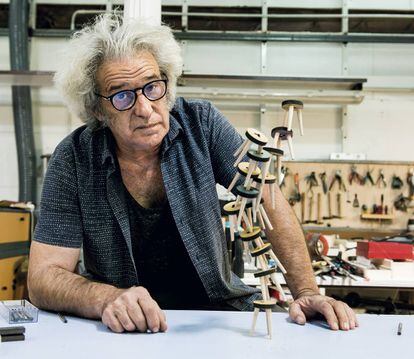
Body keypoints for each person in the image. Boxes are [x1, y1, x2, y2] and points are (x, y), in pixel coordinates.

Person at [28, 14, 358, 334]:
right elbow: (43, 278)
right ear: (98, 108)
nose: (144, 109)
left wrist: (307, 292)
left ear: (167, 85)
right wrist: (105, 298)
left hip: (216, 316)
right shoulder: (73, 158)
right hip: (122, 324)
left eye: (152, 87)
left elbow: (267, 199)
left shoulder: (202, 124)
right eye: (122, 96)